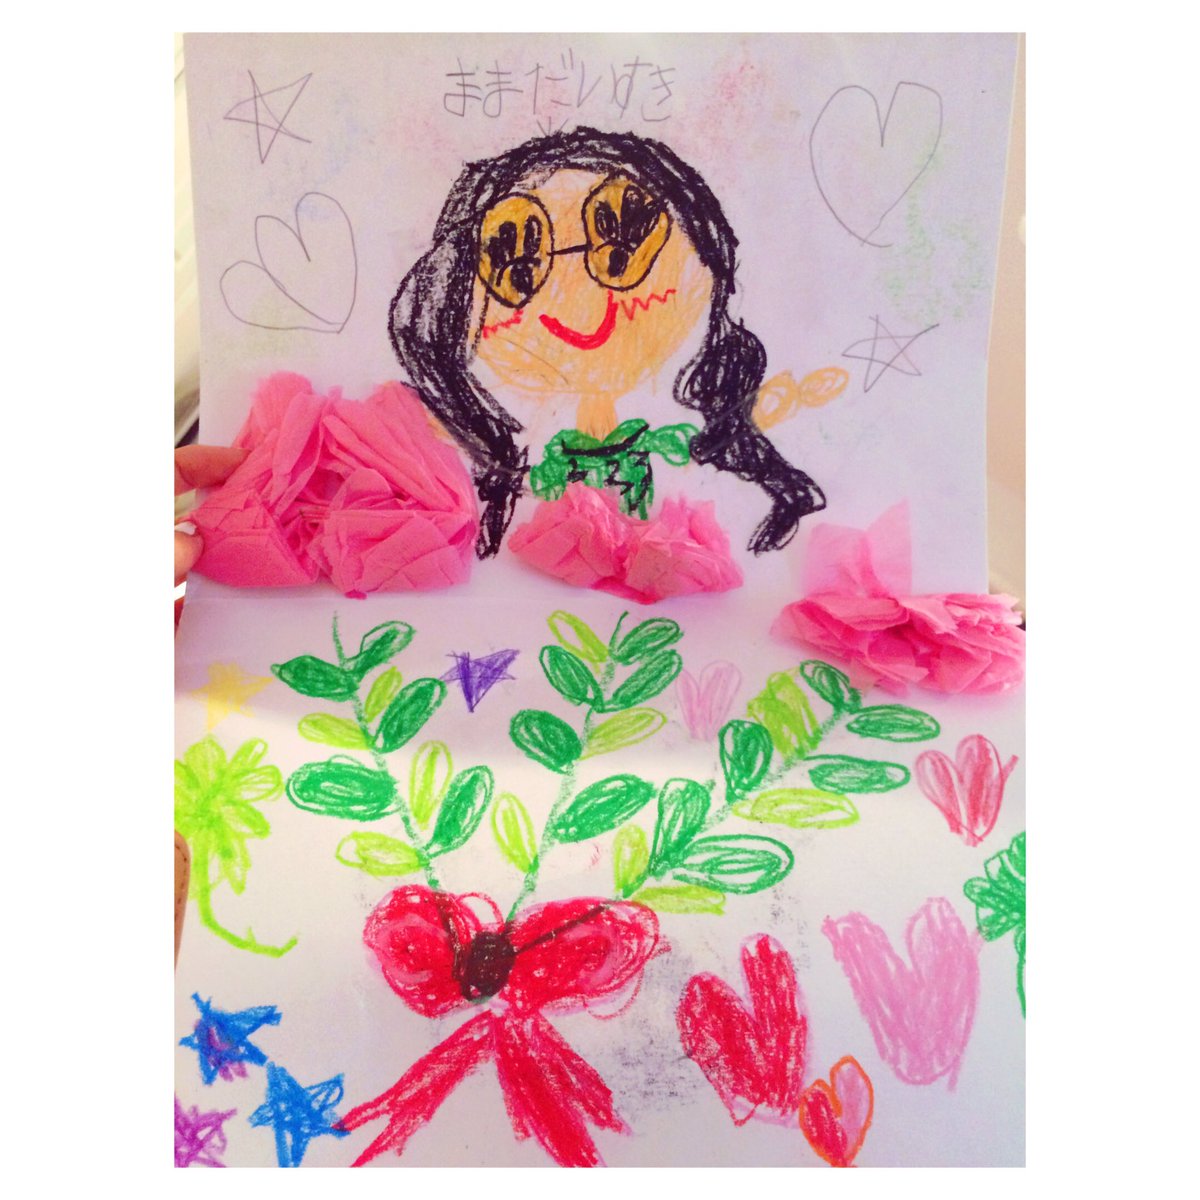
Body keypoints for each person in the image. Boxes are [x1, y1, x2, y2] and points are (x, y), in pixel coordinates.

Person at [390, 127, 826, 561]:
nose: (573, 289)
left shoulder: (717, 474)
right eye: (516, 259)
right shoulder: (473, 483)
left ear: (706, 259)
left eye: (624, 241)